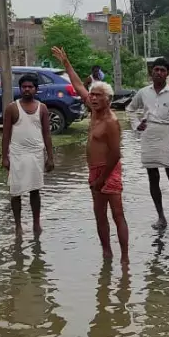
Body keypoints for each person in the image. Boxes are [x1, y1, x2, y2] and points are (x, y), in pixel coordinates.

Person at [51, 46, 130, 264]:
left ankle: (124, 258)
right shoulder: (94, 111)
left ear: (108, 100)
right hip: (94, 170)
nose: (93, 98)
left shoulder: (111, 122)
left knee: (117, 213)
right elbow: (78, 86)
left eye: (98, 96)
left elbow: (116, 155)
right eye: (92, 95)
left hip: (109, 171)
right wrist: (66, 63)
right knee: (99, 215)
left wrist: (102, 179)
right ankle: (107, 253)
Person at [126, 57, 169, 227]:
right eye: (156, 70)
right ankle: (161, 217)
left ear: (167, 74)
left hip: (166, 133)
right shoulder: (143, 92)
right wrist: (137, 124)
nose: (159, 73)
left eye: (162, 70)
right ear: (151, 72)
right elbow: (130, 109)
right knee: (152, 177)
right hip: (148, 135)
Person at [1, 74, 54, 237]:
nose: (27, 89)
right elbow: (6, 134)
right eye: (24, 86)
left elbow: (46, 134)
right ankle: (18, 226)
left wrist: (50, 157)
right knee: (15, 192)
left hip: (36, 154)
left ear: (36, 89)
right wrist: (4, 156)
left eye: (30, 87)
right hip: (17, 154)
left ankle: (36, 223)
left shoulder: (42, 108)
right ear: (20, 88)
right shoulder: (12, 108)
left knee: (35, 190)